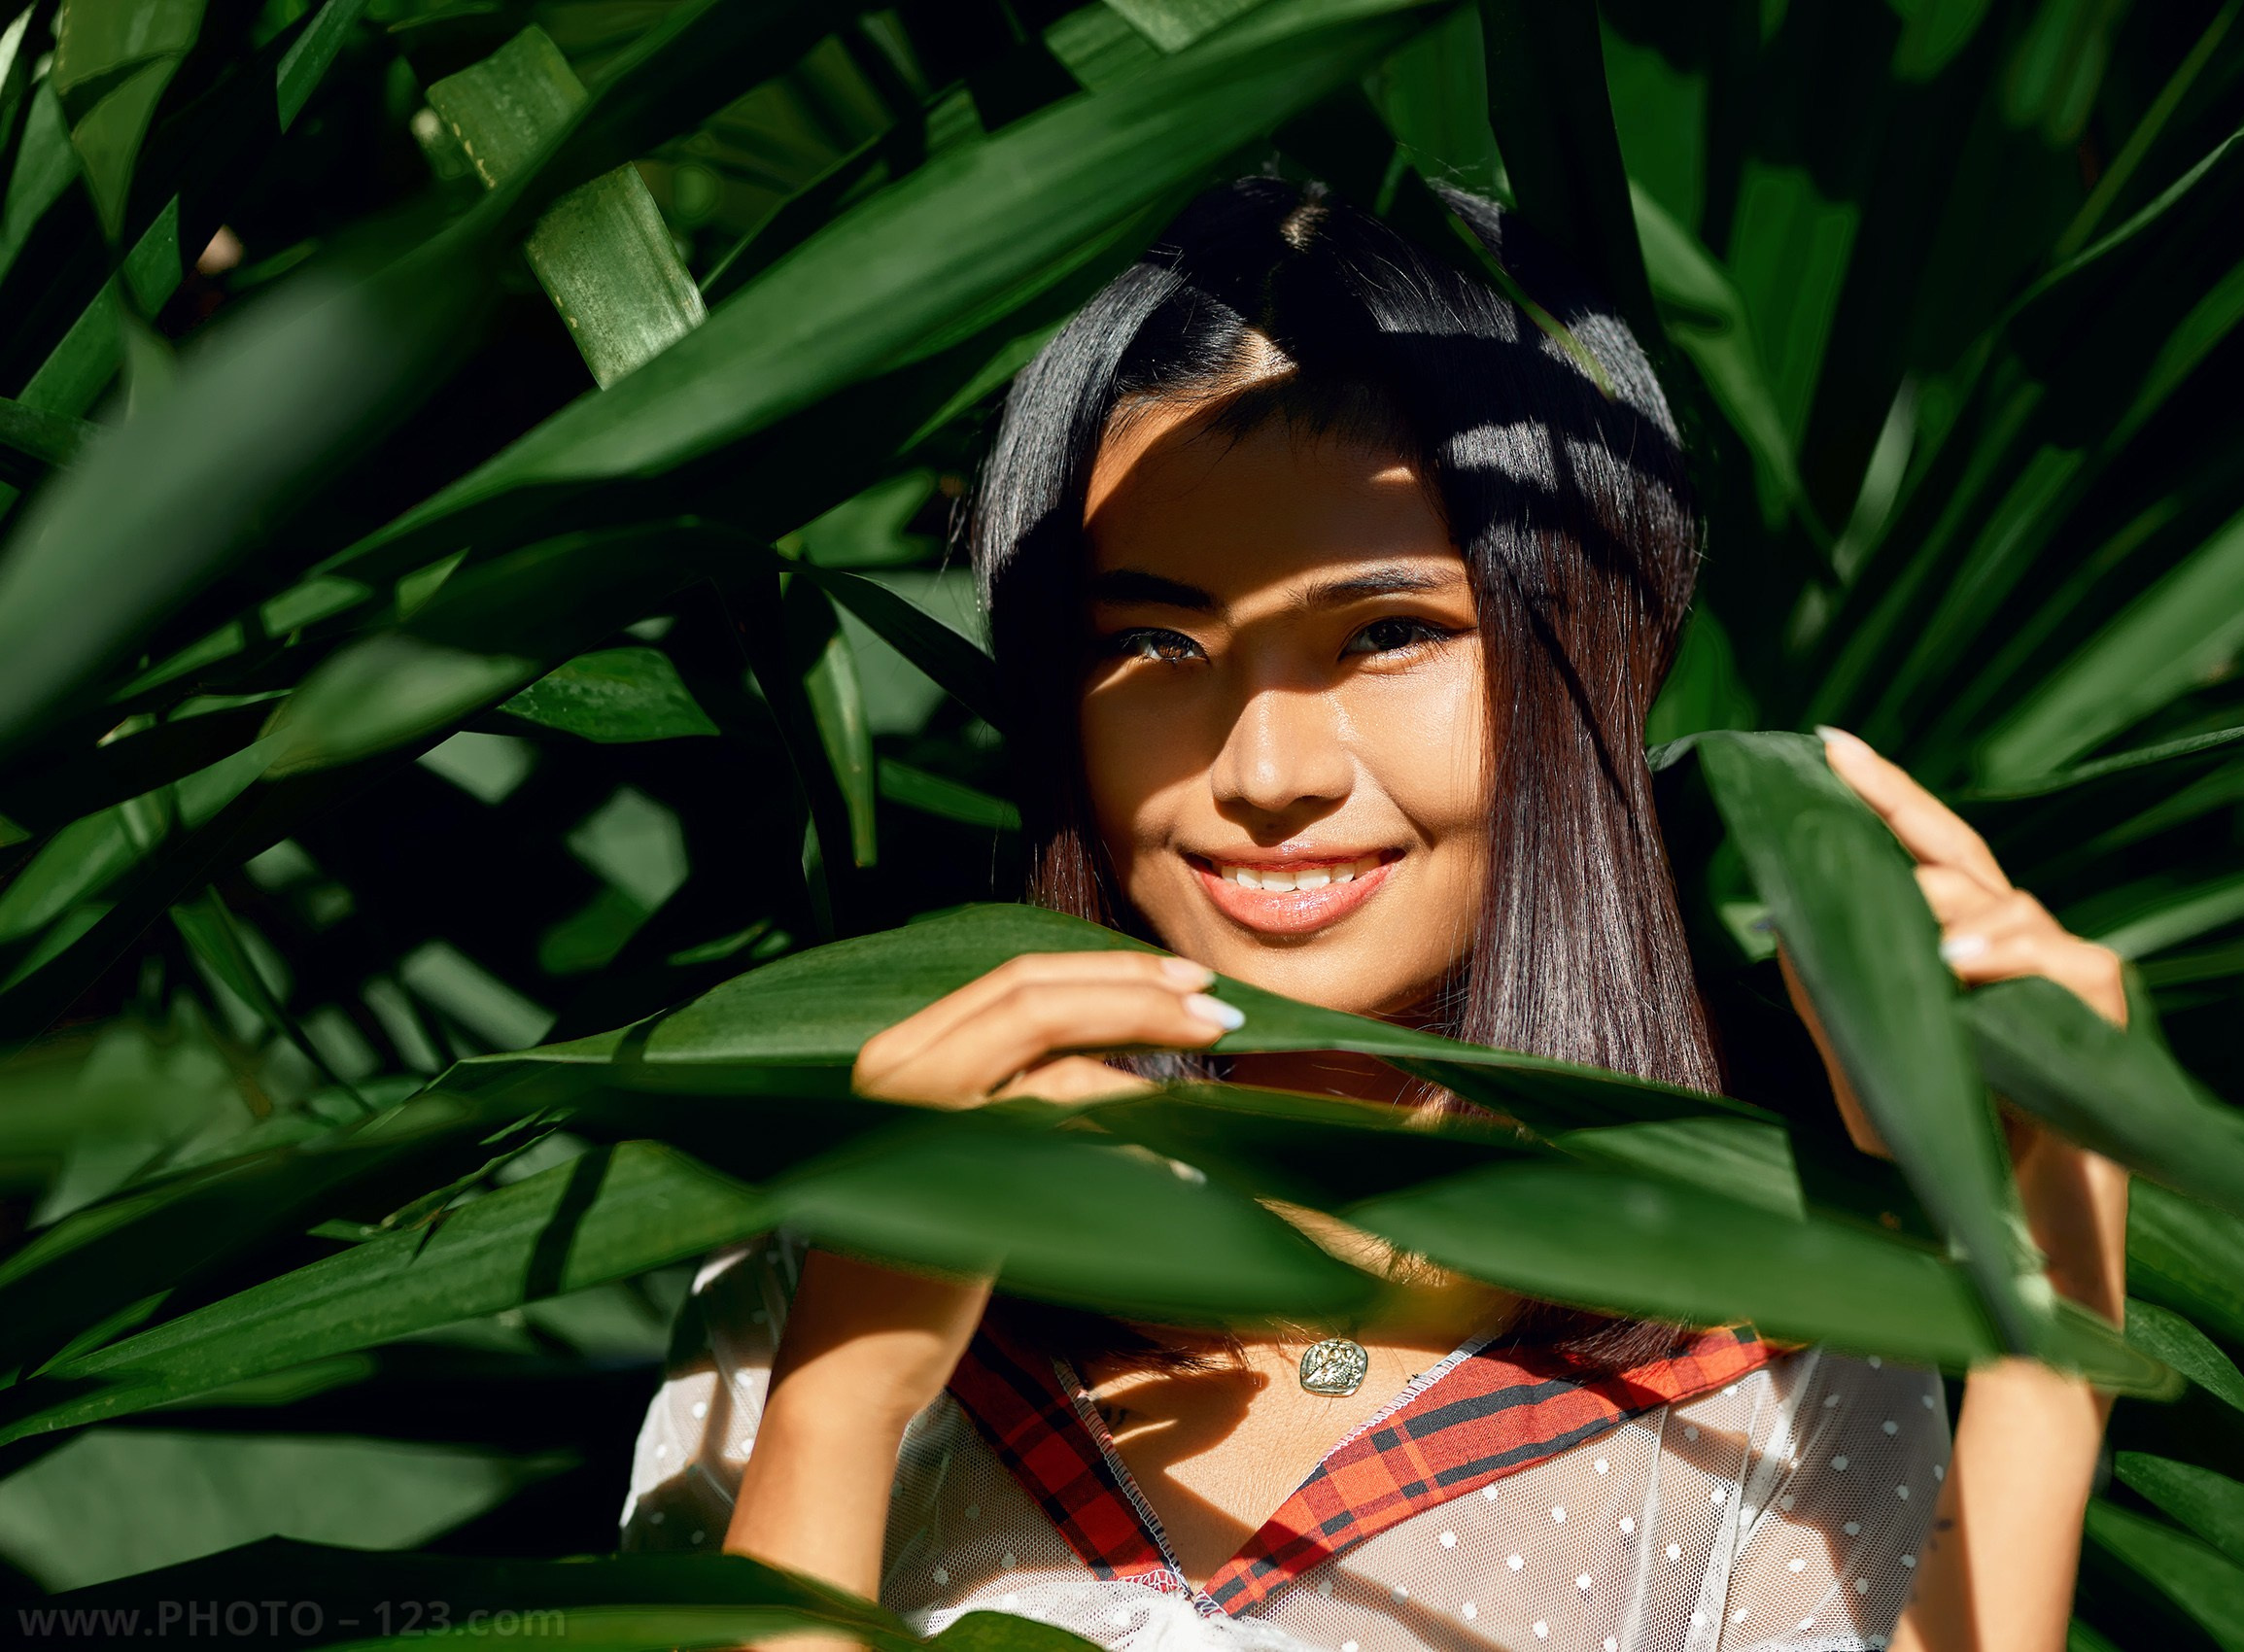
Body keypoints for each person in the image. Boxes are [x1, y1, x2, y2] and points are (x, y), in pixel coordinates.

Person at [619, 176, 2128, 1652]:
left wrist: (2046, 1308)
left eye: (1388, 632)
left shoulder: (1760, 1336)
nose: (1263, 773)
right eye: (1152, 642)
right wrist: (844, 1395)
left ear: (1594, 659)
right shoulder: (855, 1239)